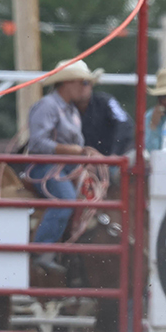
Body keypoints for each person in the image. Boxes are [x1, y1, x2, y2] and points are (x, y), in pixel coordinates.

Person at [25, 59, 96, 268]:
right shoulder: (48, 106)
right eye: (83, 83)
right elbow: (37, 142)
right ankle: (41, 251)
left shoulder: (71, 110)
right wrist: (73, 151)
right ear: (68, 83)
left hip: (66, 167)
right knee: (66, 199)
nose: (86, 88)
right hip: (45, 167)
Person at [67, 60, 130, 156]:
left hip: (110, 160)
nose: (80, 88)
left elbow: (124, 123)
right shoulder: (65, 108)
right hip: (80, 163)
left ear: (91, 85)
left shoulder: (106, 101)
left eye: (84, 83)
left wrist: (115, 154)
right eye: (74, 84)